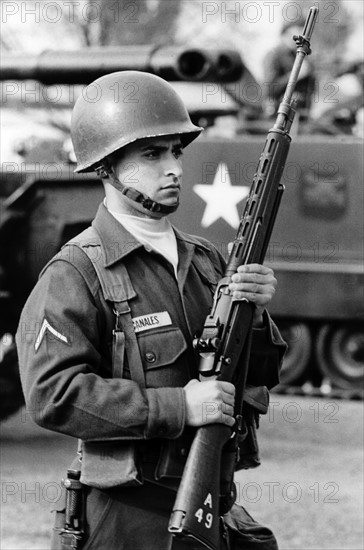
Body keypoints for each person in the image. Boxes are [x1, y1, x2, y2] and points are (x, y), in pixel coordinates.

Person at [16, 71, 286, 550]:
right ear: (106, 167)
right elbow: (52, 394)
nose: (174, 168)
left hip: (211, 509)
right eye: (151, 154)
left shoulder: (207, 261)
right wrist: (179, 406)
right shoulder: (75, 273)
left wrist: (255, 313)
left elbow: (260, 373)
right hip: (127, 522)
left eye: (176, 152)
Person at [263, 19, 316, 122]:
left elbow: (311, 88)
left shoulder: (301, 56)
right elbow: (270, 90)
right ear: (286, 34)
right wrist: (296, 75)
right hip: (278, 117)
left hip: (301, 117)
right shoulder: (274, 55)